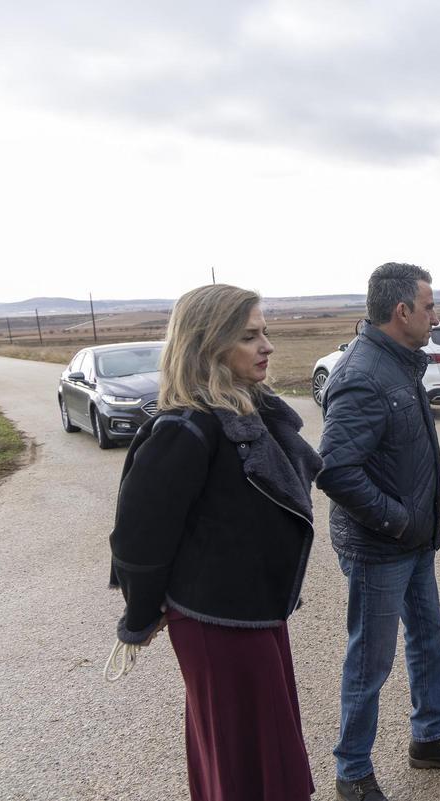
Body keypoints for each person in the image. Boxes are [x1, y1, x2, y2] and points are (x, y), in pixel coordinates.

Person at [109, 284, 323, 801]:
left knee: (260, 747)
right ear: (208, 345)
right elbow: (138, 539)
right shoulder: (186, 429)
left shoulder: (247, 414)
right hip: (216, 622)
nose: (266, 345)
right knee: (240, 752)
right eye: (250, 335)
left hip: (256, 613)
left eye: (265, 331)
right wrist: (140, 618)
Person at [317, 263, 440, 801]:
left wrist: (415, 525)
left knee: (428, 640)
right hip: (380, 546)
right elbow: (336, 470)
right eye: (430, 307)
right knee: (371, 661)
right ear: (402, 312)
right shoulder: (363, 373)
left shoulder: (398, 364)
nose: (435, 317)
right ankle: (352, 772)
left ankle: (429, 737)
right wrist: (396, 519)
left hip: (413, 542)